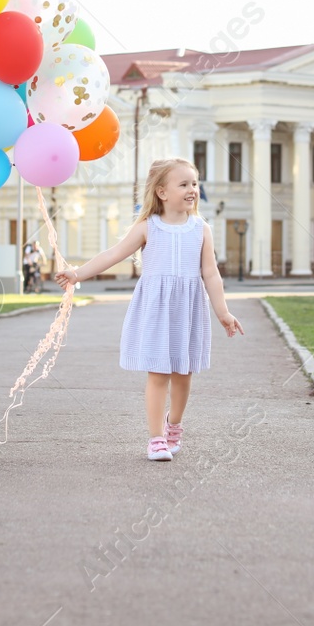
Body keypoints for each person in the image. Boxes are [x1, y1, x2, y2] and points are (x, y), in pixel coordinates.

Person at [55, 158, 244, 462]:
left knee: (184, 374)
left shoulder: (201, 229)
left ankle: (174, 425)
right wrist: (78, 274)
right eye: (184, 184)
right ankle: (156, 438)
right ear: (162, 192)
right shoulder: (148, 227)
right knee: (158, 373)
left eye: (194, 183)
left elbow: (211, 274)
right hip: (157, 310)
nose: (192, 189)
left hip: (188, 310)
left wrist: (223, 312)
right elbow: (114, 254)